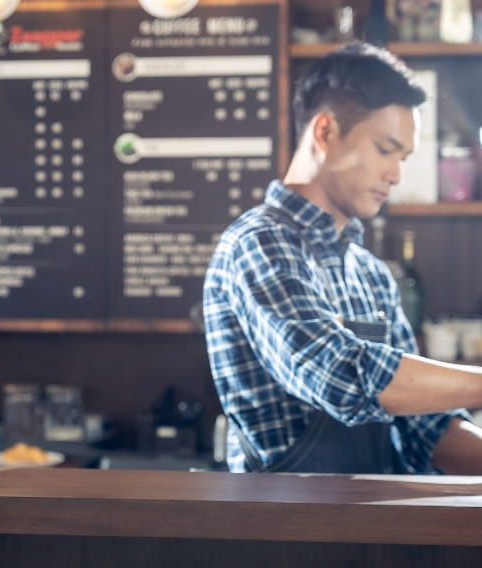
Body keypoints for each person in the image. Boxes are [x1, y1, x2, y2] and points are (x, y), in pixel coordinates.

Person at [204, 42, 482, 474]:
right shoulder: (258, 244)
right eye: (385, 149)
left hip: (375, 530)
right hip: (287, 532)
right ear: (325, 132)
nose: (396, 175)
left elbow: (427, 430)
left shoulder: (371, 274)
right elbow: (340, 372)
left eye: (403, 157)